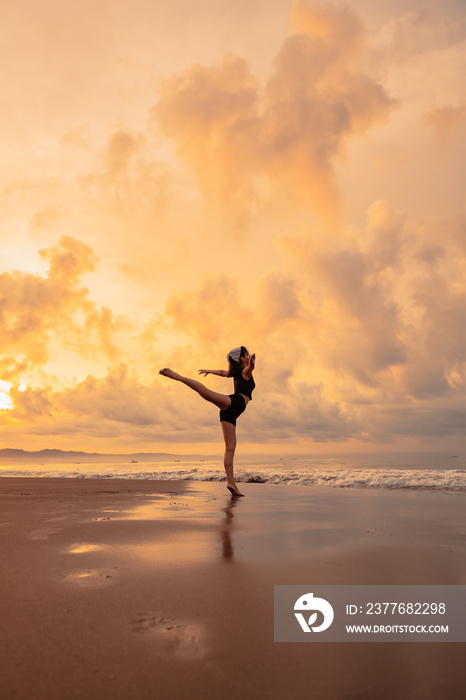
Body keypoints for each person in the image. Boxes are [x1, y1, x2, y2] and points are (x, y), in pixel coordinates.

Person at [159, 346, 255, 497]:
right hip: (235, 403)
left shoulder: (236, 372)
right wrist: (252, 363)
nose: (249, 356)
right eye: (246, 354)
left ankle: (231, 483)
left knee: (230, 448)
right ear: (242, 358)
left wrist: (210, 371)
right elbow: (250, 368)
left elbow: (224, 373)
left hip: (231, 414)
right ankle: (177, 377)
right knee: (207, 393)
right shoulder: (245, 371)